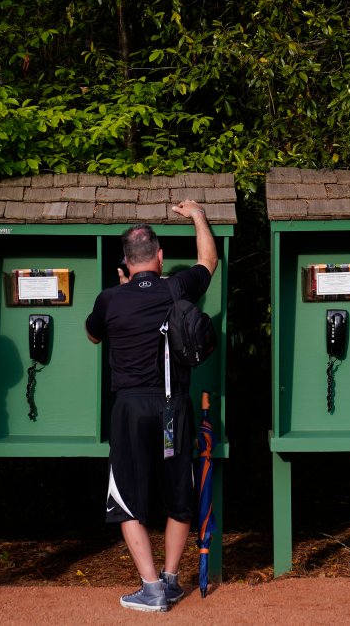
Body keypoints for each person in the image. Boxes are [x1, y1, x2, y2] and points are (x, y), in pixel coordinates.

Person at [85, 200, 218, 612]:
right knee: (179, 493)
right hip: (171, 410)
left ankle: (150, 587)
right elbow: (208, 261)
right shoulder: (177, 287)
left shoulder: (109, 299)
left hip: (130, 411)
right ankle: (171, 580)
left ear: (126, 262)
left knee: (126, 498)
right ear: (160, 256)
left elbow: (93, 335)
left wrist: (123, 289)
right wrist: (197, 215)